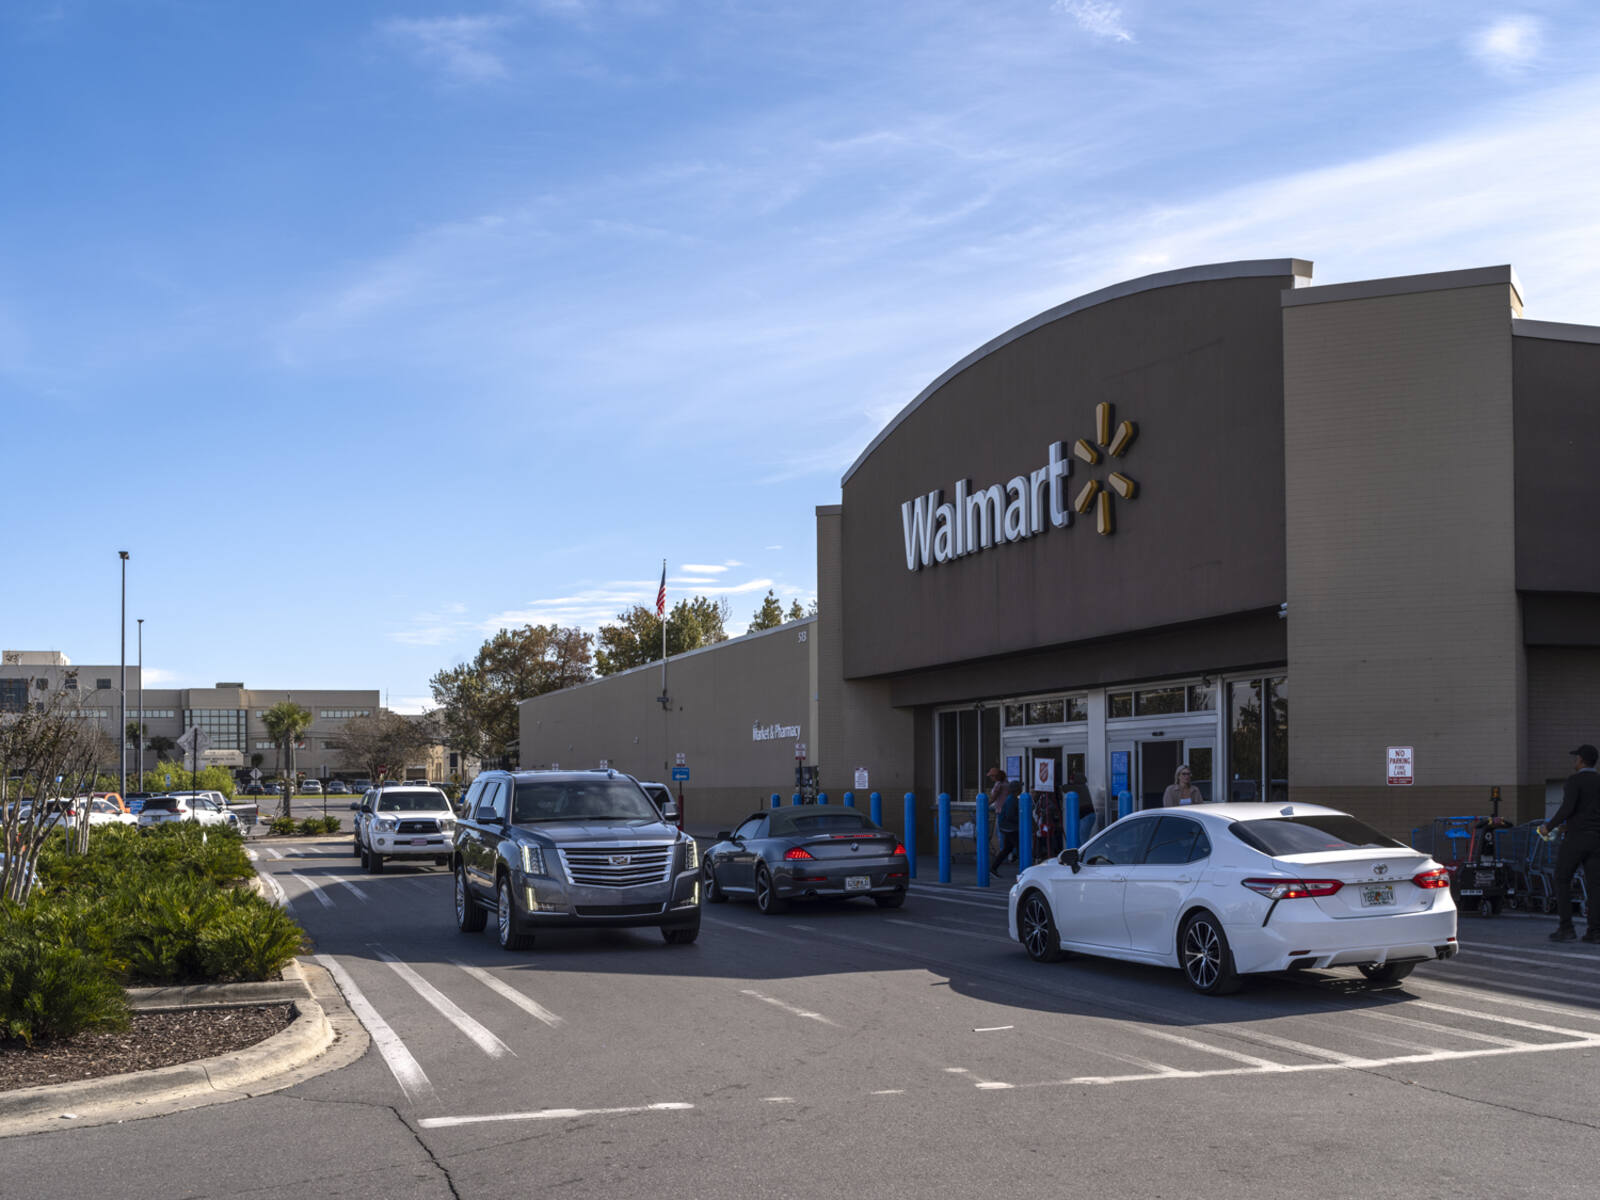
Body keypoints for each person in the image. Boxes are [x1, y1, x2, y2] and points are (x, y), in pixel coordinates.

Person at [1539, 743, 1600, 943]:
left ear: (1581, 760)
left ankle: (1566, 928)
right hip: (1596, 839)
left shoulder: (1574, 781)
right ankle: (1595, 932)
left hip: (1577, 839)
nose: (1575, 761)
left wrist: (1549, 826)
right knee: (1595, 886)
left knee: (1562, 878)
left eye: (1576, 758)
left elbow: (1568, 808)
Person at [988, 768, 1019, 875]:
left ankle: (996, 866)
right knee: (1013, 844)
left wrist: (983, 805)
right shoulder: (1007, 785)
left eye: (991, 776)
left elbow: (993, 798)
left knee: (1006, 842)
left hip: (1002, 814)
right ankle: (1014, 857)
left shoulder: (999, 785)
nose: (991, 778)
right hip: (1007, 818)